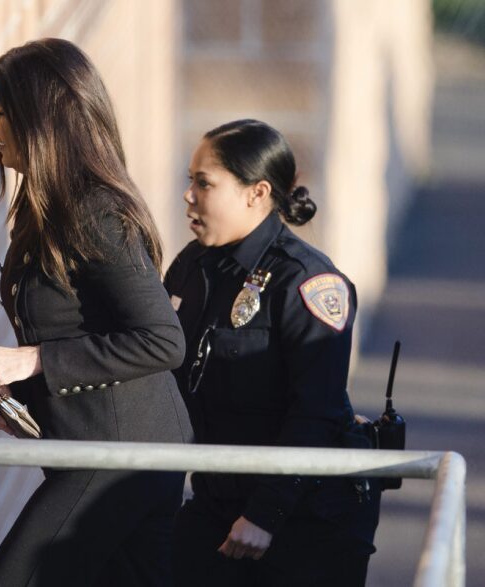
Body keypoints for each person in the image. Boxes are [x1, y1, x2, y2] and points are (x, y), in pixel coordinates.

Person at [0, 38, 193, 587]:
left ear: (39, 118)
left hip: (120, 457)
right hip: (102, 449)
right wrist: (10, 391)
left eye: (2, 112)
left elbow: (163, 340)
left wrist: (36, 361)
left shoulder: (96, 211)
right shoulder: (46, 206)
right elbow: (77, 326)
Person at [165, 119, 380, 586]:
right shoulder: (194, 266)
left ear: (256, 193)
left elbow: (317, 411)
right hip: (217, 503)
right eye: (190, 181)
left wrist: (266, 514)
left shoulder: (307, 282)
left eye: (204, 182)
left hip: (304, 520)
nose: (189, 195)